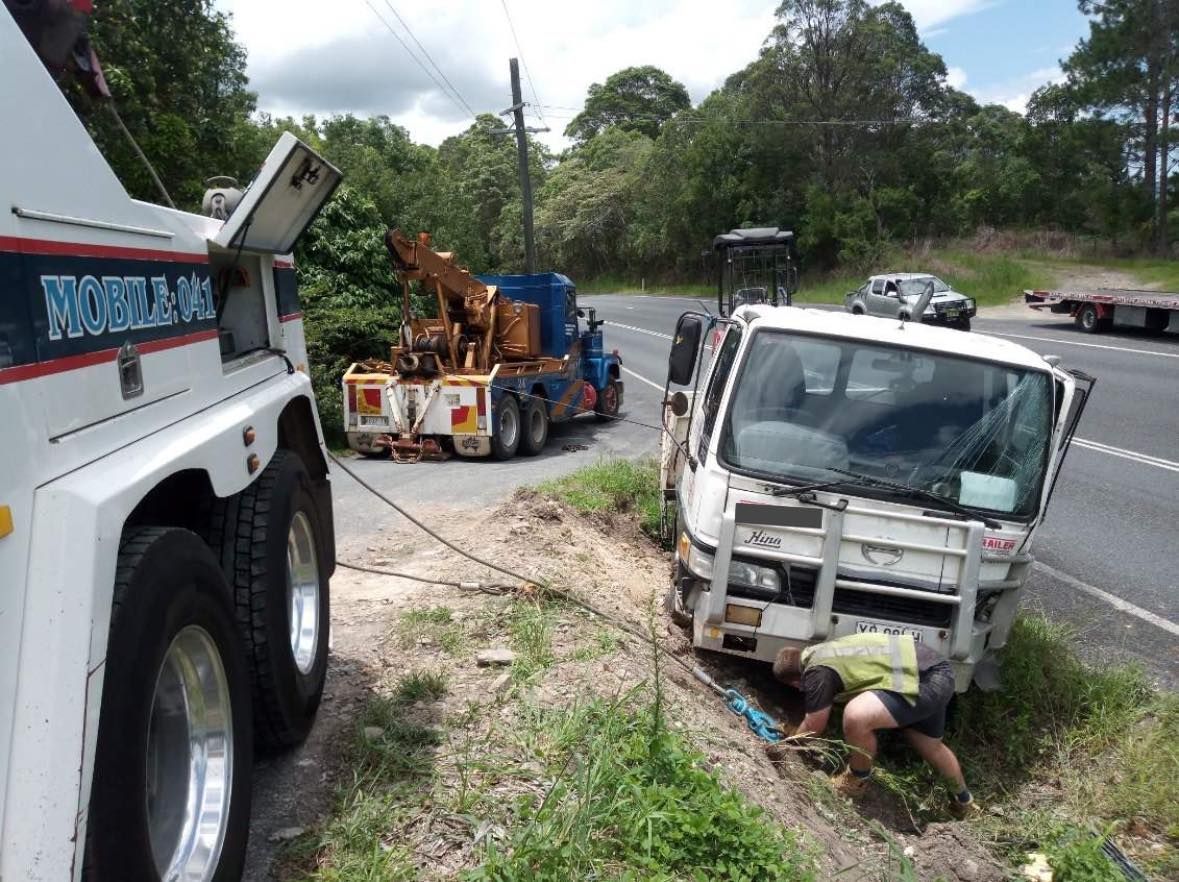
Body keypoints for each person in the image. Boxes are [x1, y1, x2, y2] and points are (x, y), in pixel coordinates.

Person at [770, 633, 977, 818]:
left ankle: (856, 779)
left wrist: (790, 742)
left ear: (795, 683)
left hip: (922, 679)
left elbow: (815, 724)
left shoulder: (817, 672)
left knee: (856, 716)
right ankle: (964, 801)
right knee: (931, 746)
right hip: (934, 670)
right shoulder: (823, 651)